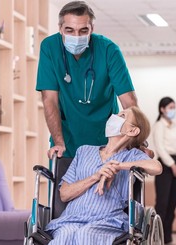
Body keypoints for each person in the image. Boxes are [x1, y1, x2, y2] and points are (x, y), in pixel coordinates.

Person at [42, 107, 162, 245]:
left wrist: (118, 165)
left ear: (132, 131)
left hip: (107, 220)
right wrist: (96, 176)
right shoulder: (83, 151)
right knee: (62, 238)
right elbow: (64, 194)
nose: (115, 117)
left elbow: (156, 167)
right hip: (71, 218)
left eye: (122, 115)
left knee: (86, 235)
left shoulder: (132, 156)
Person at [36, 1, 138, 159]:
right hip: (67, 141)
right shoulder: (50, 47)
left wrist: (136, 141)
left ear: (92, 29)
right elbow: (49, 99)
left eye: (83, 31)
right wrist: (58, 143)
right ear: (60, 28)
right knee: (65, 183)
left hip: (106, 142)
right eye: (69, 30)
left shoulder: (108, 50)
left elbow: (129, 101)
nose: (76, 37)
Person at [152, 97, 176, 245]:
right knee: (163, 203)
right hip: (165, 166)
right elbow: (160, 148)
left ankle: (167, 239)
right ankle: (156, 238)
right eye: (170, 107)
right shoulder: (159, 126)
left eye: (174, 107)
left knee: (172, 203)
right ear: (162, 109)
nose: (173, 110)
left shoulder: (175, 126)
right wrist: (172, 166)